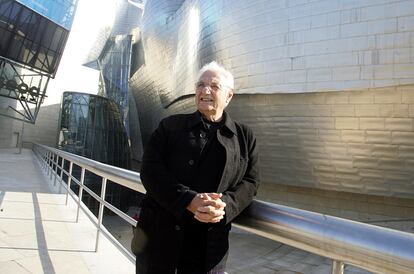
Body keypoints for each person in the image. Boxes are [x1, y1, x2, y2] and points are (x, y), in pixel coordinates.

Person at [132, 61, 260, 274]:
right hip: (160, 239)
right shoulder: (169, 126)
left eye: (214, 86)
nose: (205, 90)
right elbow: (150, 170)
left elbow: (251, 181)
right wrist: (187, 200)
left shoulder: (245, 136)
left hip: (209, 248)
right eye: (200, 85)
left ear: (229, 96)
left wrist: (225, 206)